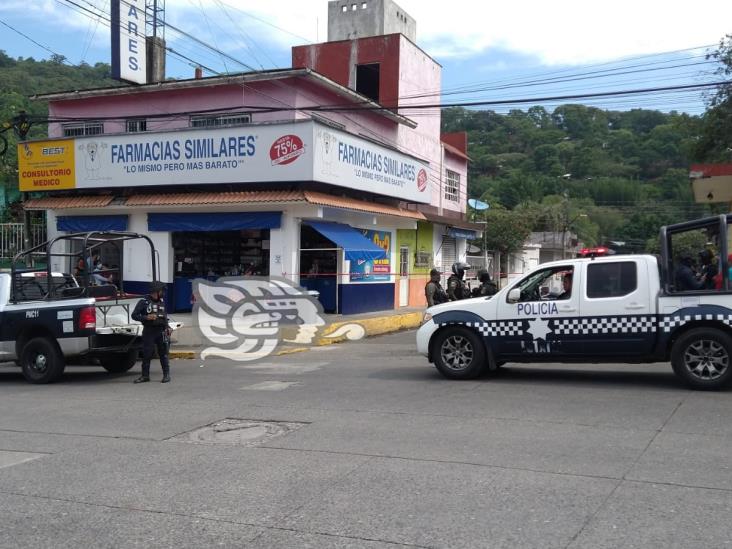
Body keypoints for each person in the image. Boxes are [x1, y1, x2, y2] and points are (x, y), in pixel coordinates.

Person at [131, 281, 171, 383]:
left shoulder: (161, 301)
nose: (163, 293)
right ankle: (145, 376)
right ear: (156, 291)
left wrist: (168, 327)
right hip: (149, 331)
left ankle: (166, 375)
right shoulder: (143, 302)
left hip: (161, 331)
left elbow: (164, 316)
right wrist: (146, 317)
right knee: (147, 354)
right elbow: (134, 315)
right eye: (162, 291)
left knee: (163, 353)